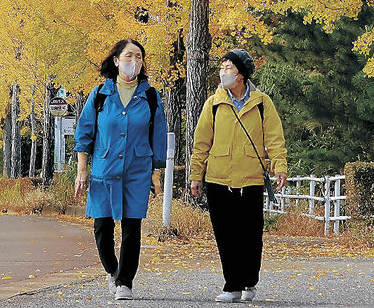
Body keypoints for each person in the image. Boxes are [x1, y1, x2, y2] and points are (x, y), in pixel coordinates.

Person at [190, 48, 287, 303]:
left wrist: (280, 167)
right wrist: (195, 174)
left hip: (251, 179)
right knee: (225, 235)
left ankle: (249, 281)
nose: (223, 73)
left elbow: (274, 139)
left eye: (229, 68)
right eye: (222, 69)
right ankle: (231, 285)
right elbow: (201, 142)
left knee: (251, 235)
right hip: (218, 179)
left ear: (241, 74)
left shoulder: (262, 102)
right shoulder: (213, 103)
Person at [74, 39, 167, 301]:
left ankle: (125, 282)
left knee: (131, 226)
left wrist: (155, 173)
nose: (133, 61)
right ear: (116, 60)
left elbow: (158, 135)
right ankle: (113, 270)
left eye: (138, 56)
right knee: (102, 226)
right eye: (128, 56)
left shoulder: (150, 95)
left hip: (137, 169)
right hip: (104, 168)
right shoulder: (100, 94)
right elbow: (84, 133)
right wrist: (83, 170)